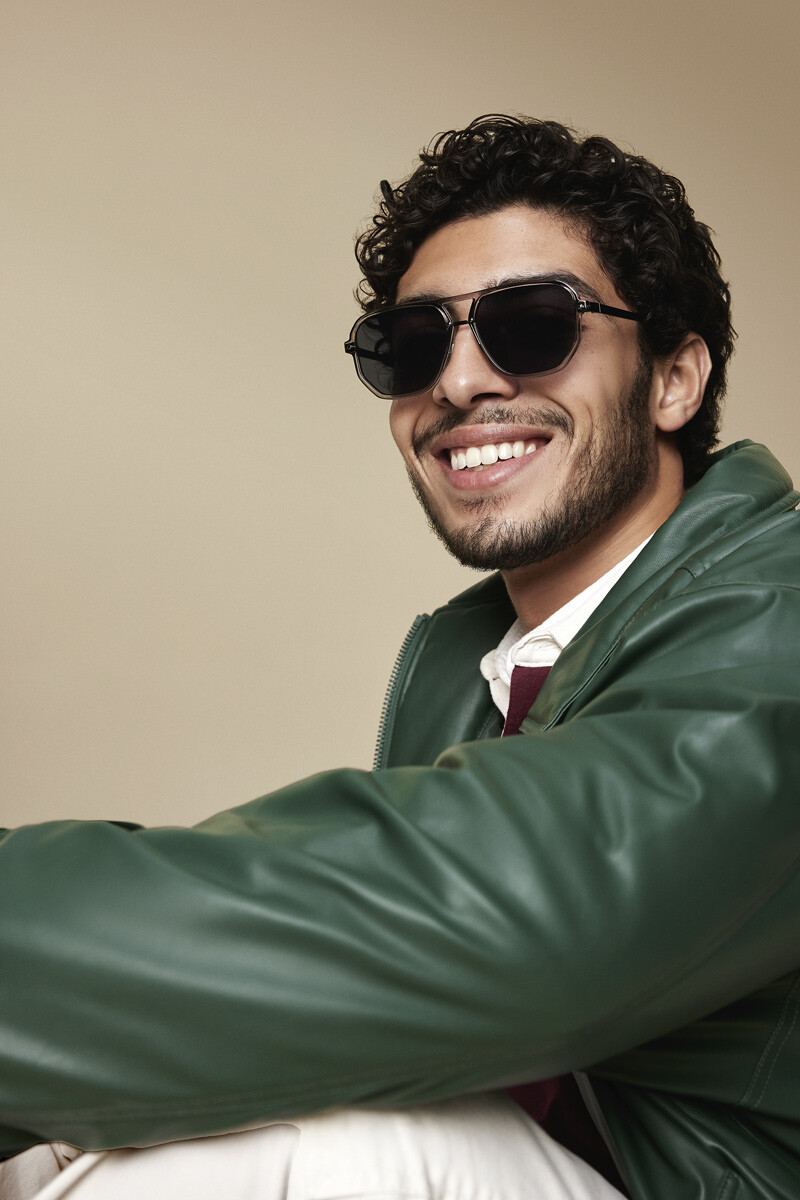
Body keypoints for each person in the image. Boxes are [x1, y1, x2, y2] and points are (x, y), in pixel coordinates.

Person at [1, 115, 798, 1200]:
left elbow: (494, 921)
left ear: (672, 378)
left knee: (314, 1146)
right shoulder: (488, 668)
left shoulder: (777, 620)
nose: (458, 382)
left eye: (530, 325)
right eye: (412, 345)